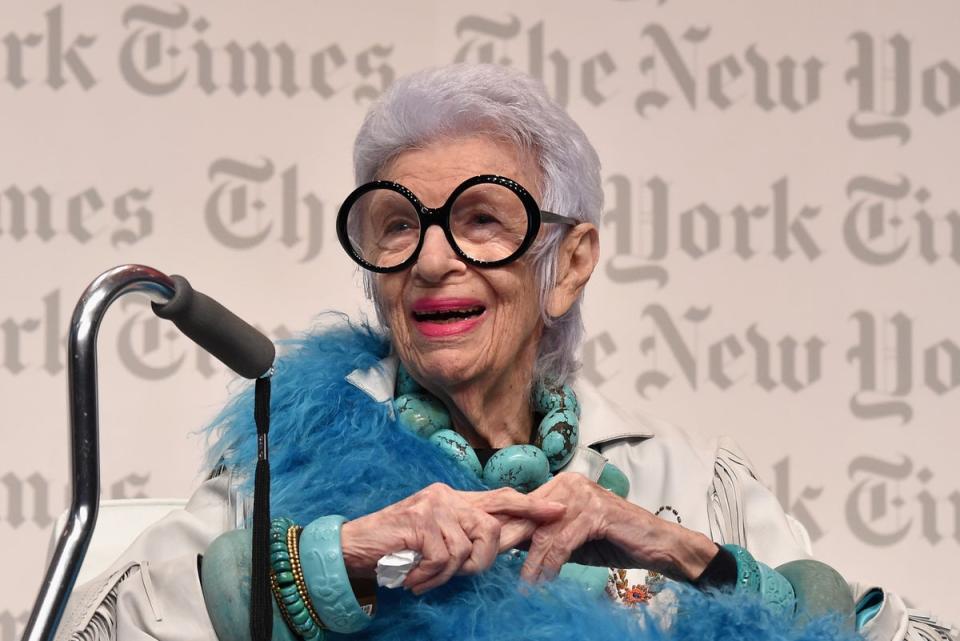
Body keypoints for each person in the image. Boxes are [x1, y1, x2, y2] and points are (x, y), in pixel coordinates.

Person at [55, 64, 956, 641]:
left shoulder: (687, 479)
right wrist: (338, 558)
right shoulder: (283, 461)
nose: (432, 258)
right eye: (398, 225)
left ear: (568, 265)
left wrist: (683, 553)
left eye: (481, 219)